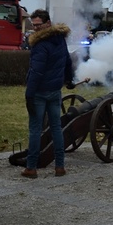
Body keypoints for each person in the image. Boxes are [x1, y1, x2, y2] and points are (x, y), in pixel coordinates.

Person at [22, 9, 74, 179]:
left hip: (40, 93)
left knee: (36, 130)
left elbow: (36, 72)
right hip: (55, 92)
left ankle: (31, 168)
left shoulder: (41, 45)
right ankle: (60, 167)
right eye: (34, 25)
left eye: (39, 25)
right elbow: (67, 61)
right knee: (56, 128)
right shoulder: (60, 40)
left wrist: (29, 94)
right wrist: (69, 79)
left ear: (48, 23)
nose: (36, 28)